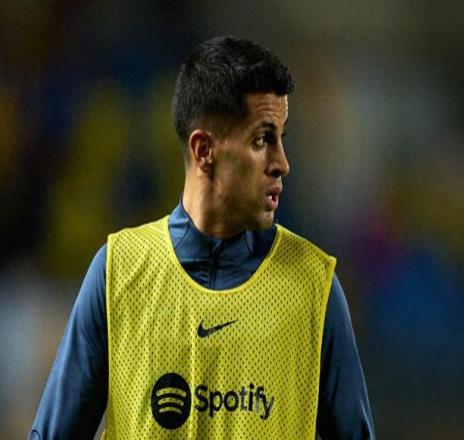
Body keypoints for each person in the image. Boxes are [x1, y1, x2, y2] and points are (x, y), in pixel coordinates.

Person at [30, 36, 375, 439]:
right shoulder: (118, 274)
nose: (282, 162)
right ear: (204, 149)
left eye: (282, 137)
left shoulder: (314, 288)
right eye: (262, 139)